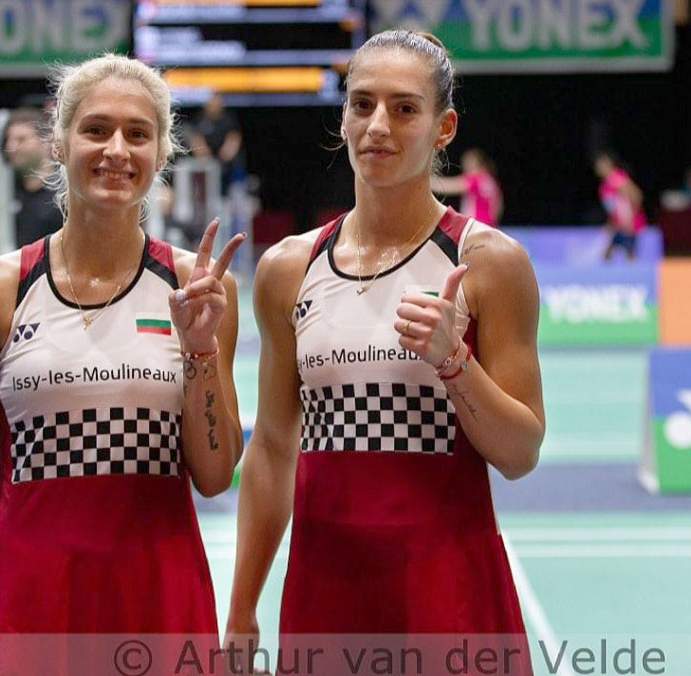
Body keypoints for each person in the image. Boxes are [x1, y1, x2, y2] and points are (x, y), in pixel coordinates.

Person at [225, 30, 543, 675]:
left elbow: (520, 454)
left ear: (443, 127)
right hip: (325, 595)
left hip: (448, 592)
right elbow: (274, 449)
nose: (378, 126)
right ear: (342, 117)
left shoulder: (489, 262)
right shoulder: (288, 268)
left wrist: (455, 362)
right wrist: (241, 608)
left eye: (404, 109)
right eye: (362, 104)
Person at [0, 54, 246, 675]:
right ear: (59, 142)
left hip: (161, 607)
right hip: (28, 609)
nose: (116, 151)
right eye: (96, 130)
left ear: (162, 152)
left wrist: (200, 351)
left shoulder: (198, 287)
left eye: (138, 133)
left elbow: (214, 477)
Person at [3, 108, 64, 247]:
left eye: (21, 139)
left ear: (45, 142)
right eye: (9, 140)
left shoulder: (65, 191)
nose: (11, 147)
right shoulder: (3, 190)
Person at [189, 92, 246, 196]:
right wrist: (205, 156)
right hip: (206, 164)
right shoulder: (199, 119)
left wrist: (224, 156)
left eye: (216, 101)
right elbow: (196, 140)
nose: (214, 104)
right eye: (211, 102)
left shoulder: (229, 119)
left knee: (234, 168)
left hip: (227, 163)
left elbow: (233, 140)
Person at [594, 151, 647, 261]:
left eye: (601, 163)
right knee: (607, 255)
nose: (598, 167)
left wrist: (630, 218)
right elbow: (612, 209)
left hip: (629, 225)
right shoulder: (604, 186)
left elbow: (636, 195)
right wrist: (611, 223)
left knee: (630, 255)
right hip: (618, 226)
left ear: (609, 164)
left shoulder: (617, 179)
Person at [430, 147, 503, 226]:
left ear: (475, 163)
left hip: (475, 224)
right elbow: (498, 206)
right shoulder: (490, 180)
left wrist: (427, 182)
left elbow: (447, 187)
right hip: (488, 225)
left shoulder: (475, 179)